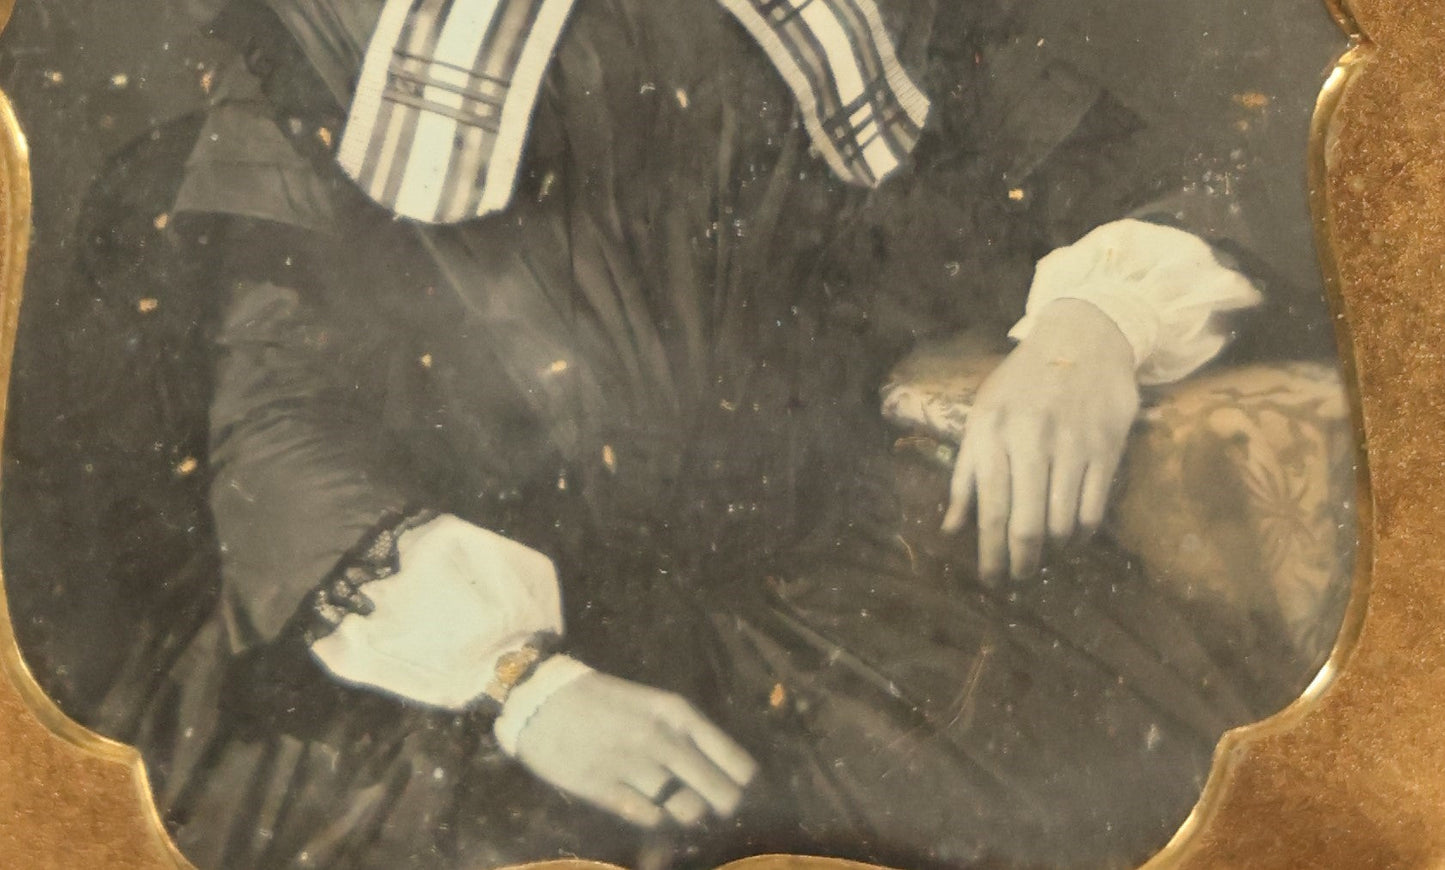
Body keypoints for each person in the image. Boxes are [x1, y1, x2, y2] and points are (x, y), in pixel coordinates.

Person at [110, 0, 1338, 867]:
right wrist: (520, 684)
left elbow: (1180, 180)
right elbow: (273, 430)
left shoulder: (836, 10)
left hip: (814, 607)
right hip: (451, 681)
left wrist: (1090, 325)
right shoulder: (343, 32)